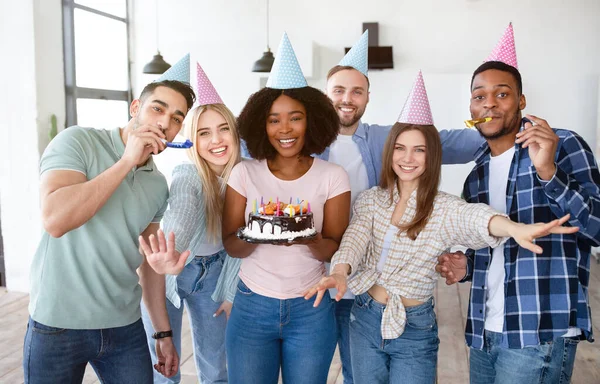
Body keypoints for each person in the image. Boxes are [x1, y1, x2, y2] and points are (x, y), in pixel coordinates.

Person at [305, 71, 578, 384]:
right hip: (364, 317)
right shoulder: (370, 201)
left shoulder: (442, 207)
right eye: (400, 148)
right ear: (389, 152)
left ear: (431, 155)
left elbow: (474, 217)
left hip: (414, 327)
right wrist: (340, 271)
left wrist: (513, 228)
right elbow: (353, 240)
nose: (408, 158)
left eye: (419, 149)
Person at [317, 31, 485, 384]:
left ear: (366, 97)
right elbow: (251, 145)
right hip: (311, 268)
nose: (347, 99)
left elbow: (451, 142)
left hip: (364, 274)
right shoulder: (303, 139)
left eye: (356, 91)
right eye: (338, 90)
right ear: (325, 94)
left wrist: (511, 125)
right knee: (313, 366)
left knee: (356, 367)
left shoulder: (384, 138)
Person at [436, 59, 600, 384]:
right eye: (479, 96)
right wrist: (466, 266)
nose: (489, 104)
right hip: (486, 329)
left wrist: (549, 172)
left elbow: (596, 227)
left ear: (521, 102)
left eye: (502, 94)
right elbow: (493, 247)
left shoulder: (562, 144)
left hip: (539, 331)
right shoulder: (477, 176)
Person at [23, 79, 197, 384]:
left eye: (176, 118)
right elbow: (55, 220)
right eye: (158, 108)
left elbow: (149, 261)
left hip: (124, 326)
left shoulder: (157, 185)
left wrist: (163, 332)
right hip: (57, 324)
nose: (164, 122)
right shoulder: (77, 141)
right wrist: (127, 161)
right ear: (135, 108)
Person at [221, 33, 351, 384]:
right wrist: (259, 232)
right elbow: (231, 244)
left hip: (311, 306)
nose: (285, 129)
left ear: (312, 121)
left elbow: (333, 245)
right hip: (251, 306)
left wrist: (306, 235)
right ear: (260, 124)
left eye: (295, 118)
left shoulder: (333, 176)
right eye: (274, 119)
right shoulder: (244, 172)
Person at [138, 63, 240, 384]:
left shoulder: (247, 176)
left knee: (217, 367)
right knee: (164, 372)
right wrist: (172, 251)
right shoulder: (188, 175)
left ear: (235, 132)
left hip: (215, 276)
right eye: (204, 133)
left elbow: (246, 243)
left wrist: (232, 292)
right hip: (170, 275)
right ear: (192, 140)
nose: (216, 140)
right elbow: (181, 215)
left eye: (223, 128)